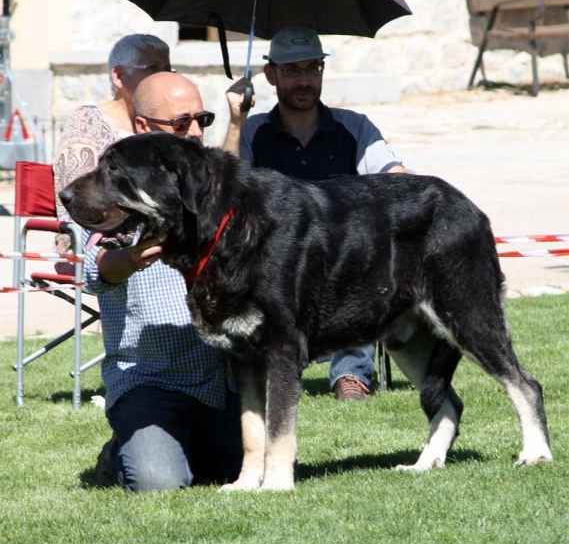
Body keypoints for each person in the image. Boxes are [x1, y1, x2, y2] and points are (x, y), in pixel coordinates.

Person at [52, 34, 251, 491]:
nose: (197, 133)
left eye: (202, 119)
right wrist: (124, 260)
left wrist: (236, 123)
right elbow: (85, 257)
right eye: (181, 124)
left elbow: (227, 197)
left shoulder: (190, 177)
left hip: (218, 377)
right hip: (150, 379)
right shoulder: (114, 186)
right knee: (160, 482)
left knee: (234, 470)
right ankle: (125, 449)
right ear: (144, 127)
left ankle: (178, 443)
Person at [240, 26, 409, 401]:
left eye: (312, 68)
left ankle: (351, 374)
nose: (304, 80)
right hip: (276, 260)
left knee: (359, 260)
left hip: (342, 254)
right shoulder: (252, 131)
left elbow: (397, 181)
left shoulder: (354, 127)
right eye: (293, 70)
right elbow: (229, 195)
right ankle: (270, 367)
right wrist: (236, 118)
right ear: (271, 75)